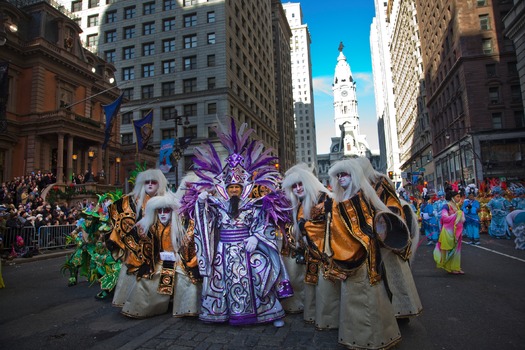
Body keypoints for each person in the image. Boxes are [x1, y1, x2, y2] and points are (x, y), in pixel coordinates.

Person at [182, 117, 292, 327]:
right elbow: (206, 222)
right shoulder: (216, 202)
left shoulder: (254, 203)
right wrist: (201, 204)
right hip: (223, 250)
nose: (234, 190)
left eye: (237, 187)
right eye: (231, 187)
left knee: (260, 274)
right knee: (219, 279)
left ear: (243, 188)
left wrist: (255, 237)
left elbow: (265, 223)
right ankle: (220, 314)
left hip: (246, 248)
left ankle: (269, 314)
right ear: (226, 187)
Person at [306, 158, 402, 349]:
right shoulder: (339, 200)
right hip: (347, 257)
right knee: (351, 297)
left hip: (365, 258)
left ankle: (373, 339)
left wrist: (331, 210)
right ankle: (355, 337)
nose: (341, 178)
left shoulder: (362, 197)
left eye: (345, 174)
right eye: (338, 175)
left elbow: (365, 225)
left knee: (367, 296)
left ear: (355, 176)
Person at [355, 157, 422, 321]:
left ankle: (401, 310)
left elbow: (393, 201)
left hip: (384, 233)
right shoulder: (356, 186)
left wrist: (386, 215)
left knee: (393, 272)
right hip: (368, 236)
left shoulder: (380, 181)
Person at [282, 163, 340, 329]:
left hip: (326, 253)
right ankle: (314, 315)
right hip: (312, 255)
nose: (298, 188)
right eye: (294, 186)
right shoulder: (301, 203)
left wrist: (304, 228)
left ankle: (329, 319)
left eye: (301, 184)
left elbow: (328, 225)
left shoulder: (323, 198)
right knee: (313, 285)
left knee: (326, 288)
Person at [106, 169, 169, 307]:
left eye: (154, 182)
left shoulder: (166, 200)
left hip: (159, 246)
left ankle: (157, 303)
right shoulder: (132, 200)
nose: (150, 185)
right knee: (133, 273)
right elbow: (121, 216)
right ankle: (130, 301)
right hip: (136, 246)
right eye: (147, 182)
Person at [119, 191, 178, 318]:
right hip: (158, 262)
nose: (162, 214)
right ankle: (148, 307)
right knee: (145, 278)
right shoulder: (151, 227)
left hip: (177, 263)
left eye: (166, 210)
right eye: (159, 211)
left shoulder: (178, 227)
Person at [433, 189, 465, 275]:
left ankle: (456, 267)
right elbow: (444, 218)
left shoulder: (457, 206)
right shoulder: (446, 206)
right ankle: (450, 267)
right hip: (448, 232)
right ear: (452, 197)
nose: (459, 198)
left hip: (457, 232)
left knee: (457, 250)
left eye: (459, 196)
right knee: (450, 250)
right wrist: (456, 214)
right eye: (457, 196)